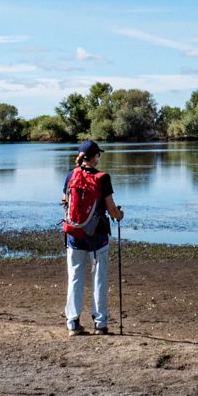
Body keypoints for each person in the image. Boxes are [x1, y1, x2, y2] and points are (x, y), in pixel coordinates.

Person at [60, 140, 124, 336]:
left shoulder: (71, 175)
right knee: (99, 278)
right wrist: (119, 215)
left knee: (75, 277)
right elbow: (112, 210)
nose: (99, 158)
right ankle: (100, 323)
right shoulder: (102, 178)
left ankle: (72, 323)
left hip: (73, 234)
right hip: (97, 236)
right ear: (94, 157)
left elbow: (65, 201)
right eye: (98, 155)